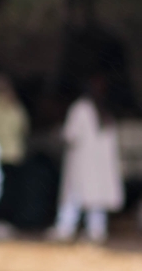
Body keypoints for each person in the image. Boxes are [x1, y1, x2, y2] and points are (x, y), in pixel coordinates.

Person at [51, 79, 122, 243]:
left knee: (73, 197)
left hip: (82, 164)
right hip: (98, 166)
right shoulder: (106, 112)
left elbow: (71, 135)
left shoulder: (80, 108)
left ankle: (65, 229)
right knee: (96, 200)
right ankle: (96, 231)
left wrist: (57, 133)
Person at [0, 72, 29, 239]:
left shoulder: (9, 105)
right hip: (2, 154)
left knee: (7, 191)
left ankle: (0, 222)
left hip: (9, 154)